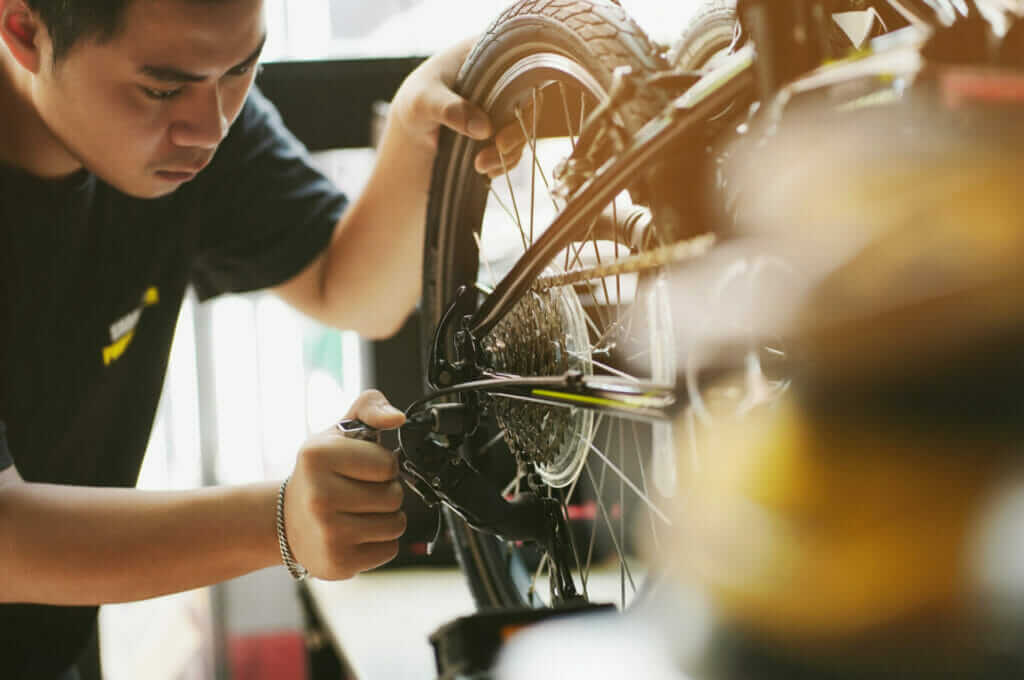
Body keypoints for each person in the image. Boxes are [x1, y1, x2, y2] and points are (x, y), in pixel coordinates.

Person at [0, 0, 524, 677]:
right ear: (23, 31)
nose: (209, 127)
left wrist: (416, 131)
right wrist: (280, 520)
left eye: (241, 70)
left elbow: (349, 289)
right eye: (160, 88)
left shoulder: (198, 122)